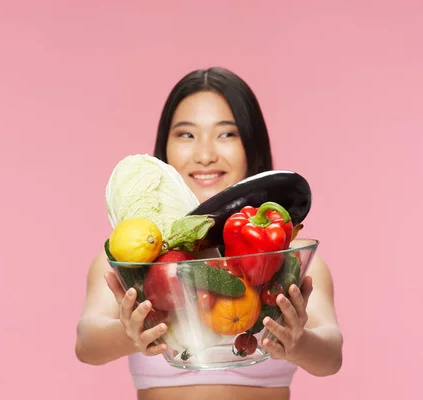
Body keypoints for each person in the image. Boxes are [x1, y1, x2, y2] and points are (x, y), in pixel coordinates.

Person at [75, 67, 343, 400]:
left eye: (227, 134)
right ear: (165, 148)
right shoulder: (135, 256)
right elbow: (87, 343)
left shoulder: (287, 255)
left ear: (251, 145)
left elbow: (331, 355)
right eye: (186, 135)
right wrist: (130, 332)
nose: (204, 155)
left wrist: (298, 341)